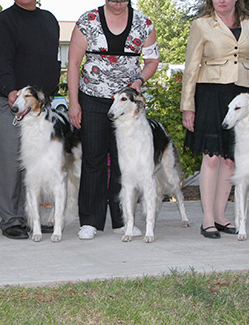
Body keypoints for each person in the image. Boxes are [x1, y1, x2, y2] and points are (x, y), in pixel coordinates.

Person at [68, 0, 159, 240]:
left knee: (124, 162)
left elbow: (152, 61)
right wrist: (74, 103)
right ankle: (90, 221)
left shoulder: (144, 24)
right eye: (112, 0)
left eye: (122, 1)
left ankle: (123, 221)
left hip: (128, 105)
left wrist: (138, 81)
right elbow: (74, 64)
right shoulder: (87, 21)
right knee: (93, 158)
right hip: (93, 99)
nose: (117, 5)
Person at [181, 0, 249, 238]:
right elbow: (191, 66)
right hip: (210, 93)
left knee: (231, 160)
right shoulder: (201, 24)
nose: (222, 0)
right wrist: (188, 106)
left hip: (242, 97)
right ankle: (207, 218)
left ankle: (220, 216)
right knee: (211, 157)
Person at [0, 0, 61, 239]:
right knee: (11, 159)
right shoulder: (3, 22)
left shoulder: (49, 20)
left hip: (39, 107)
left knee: (35, 162)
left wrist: (49, 92)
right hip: (11, 102)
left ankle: (31, 218)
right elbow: (0, 63)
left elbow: (52, 61)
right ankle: (11, 219)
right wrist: (11, 91)